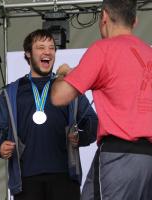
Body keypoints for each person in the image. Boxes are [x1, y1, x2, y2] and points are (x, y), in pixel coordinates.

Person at [51, 0, 152, 200]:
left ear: (104, 16)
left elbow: (58, 96)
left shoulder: (103, 49)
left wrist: (62, 74)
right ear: (135, 21)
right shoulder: (149, 53)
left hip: (118, 158)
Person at [0, 29, 98, 200]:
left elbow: (91, 121)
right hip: (26, 181)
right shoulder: (10, 92)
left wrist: (81, 138)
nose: (47, 51)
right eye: (40, 47)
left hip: (65, 179)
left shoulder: (67, 87)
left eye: (51, 47)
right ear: (28, 54)